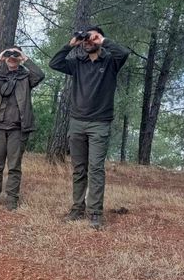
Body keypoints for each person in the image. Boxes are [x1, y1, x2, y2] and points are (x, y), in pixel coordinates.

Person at [49, 26, 129, 229]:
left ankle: (95, 213)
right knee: (79, 168)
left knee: (95, 168)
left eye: (91, 39)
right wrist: (70, 44)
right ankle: (77, 208)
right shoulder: (77, 63)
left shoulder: (110, 62)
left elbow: (124, 53)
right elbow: (55, 63)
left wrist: (102, 40)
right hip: (77, 121)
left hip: (99, 123)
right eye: (85, 39)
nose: (87, 42)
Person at [0, 46, 45, 210]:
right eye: (9, 55)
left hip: (17, 128)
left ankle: (11, 200)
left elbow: (40, 75)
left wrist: (25, 59)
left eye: (15, 55)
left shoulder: (26, 78)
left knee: (14, 166)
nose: (12, 57)